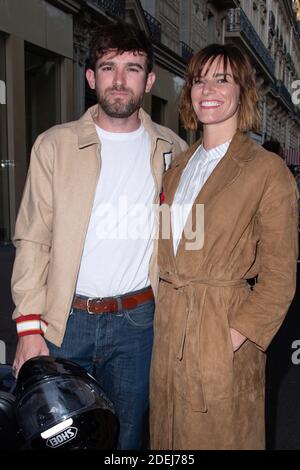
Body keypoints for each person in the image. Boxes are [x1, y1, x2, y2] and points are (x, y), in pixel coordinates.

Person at [11, 22, 187, 450]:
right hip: (64, 323)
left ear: (149, 80)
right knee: (60, 441)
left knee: (125, 438)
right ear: (91, 78)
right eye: (108, 67)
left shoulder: (173, 149)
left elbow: (186, 238)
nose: (120, 79)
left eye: (132, 68)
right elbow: (33, 237)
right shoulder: (54, 145)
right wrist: (28, 327)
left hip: (138, 325)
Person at [150, 43, 298, 450]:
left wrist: (233, 335)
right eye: (199, 79)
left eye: (222, 79)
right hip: (168, 333)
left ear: (242, 91)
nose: (207, 89)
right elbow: (176, 250)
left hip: (220, 330)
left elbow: (280, 277)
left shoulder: (267, 171)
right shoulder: (179, 165)